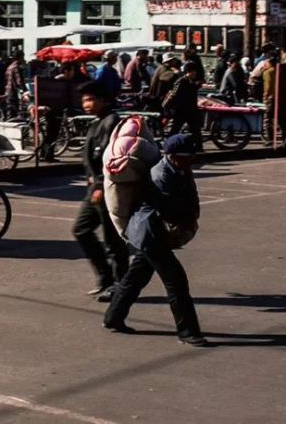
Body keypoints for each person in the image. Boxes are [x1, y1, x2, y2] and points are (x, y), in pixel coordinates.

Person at [103, 134, 206, 346]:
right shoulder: (160, 175)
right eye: (186, 157)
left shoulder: (181, 169)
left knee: (135, 279)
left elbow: (190, 199)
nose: (190, 161)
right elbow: (173, 208)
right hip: (150, 233)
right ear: (173, 156)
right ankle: (188, 332)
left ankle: (113, 318)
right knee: (176, 281)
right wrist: (187, 219)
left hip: (152, 233)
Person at [72, 80, 128, 301]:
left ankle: (120, 285)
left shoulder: (111, 121)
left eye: (91, 99)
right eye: (84, 99)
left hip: (107, 189)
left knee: (113, 241)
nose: (86, 103)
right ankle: (105, 277)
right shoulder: (98, 122)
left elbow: (109, 158)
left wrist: (99, 186)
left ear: (104, 100)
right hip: (95, 188)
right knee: (81, 230)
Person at [164, 61, 203, 152]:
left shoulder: (190, 81)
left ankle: (199, 147)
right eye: (193, 71)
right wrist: (169, 107)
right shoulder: (181, 81)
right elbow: (174, 95)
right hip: (182, 110)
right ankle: (168, 145)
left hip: (190, 110)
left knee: (195, 129)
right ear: (189, 72)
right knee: (175, 129)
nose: (195, 73)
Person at [3, 51, 27, 119]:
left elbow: (6, 78)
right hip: (13, 92)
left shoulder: (10, 67)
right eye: (23, 57)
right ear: (20, 57)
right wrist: (25, 90)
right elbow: (19, 81)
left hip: (7, 91)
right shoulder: (16, 67)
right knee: (14, 113)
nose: (23, 59)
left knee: (10, 111)